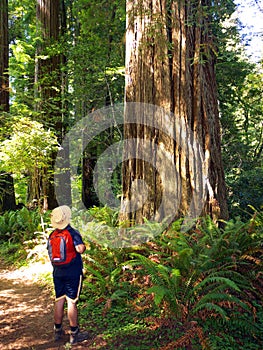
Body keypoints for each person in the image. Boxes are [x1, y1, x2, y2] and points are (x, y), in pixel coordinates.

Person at [48, 205, 87, 344]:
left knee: (59, 299)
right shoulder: (72, 232)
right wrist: (83, 245)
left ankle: (57, 331)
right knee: (71, 301)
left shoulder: (52, 235)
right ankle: (74, 333)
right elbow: (80, 249)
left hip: (57, 272)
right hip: (72, 272)